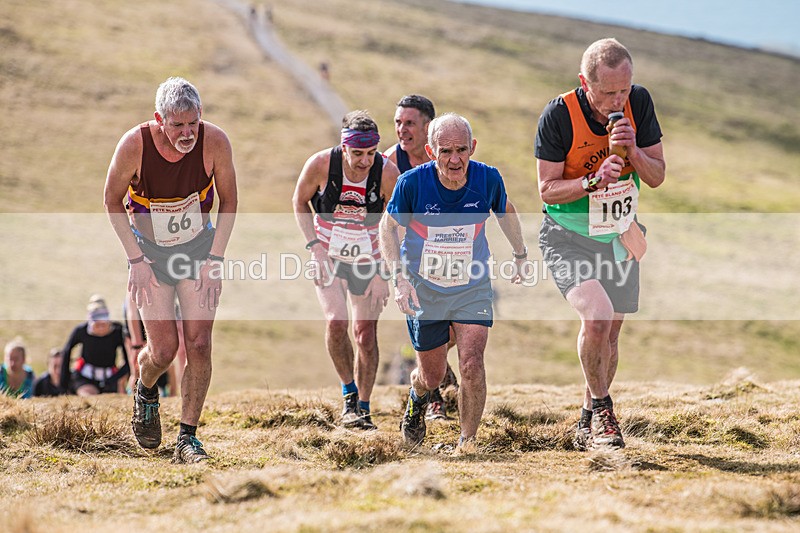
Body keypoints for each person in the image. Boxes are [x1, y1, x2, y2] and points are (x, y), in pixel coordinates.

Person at [535, 38, 665, 450]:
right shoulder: (558, 116)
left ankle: (587, 419)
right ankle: (606, 413)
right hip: (567, 236)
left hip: (620, 235)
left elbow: (658, 175)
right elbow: (547, 190)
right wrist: (592, 181)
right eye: (608, 91)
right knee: (596, 315)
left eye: (624, 89)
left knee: (610, 336)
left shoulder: (638, 104)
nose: (618, 99)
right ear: (584, 82)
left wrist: (632, 151)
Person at [103, 76, 238, 463]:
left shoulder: (215, 142)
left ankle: (188, 437)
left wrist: (216, 260)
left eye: (193, 123)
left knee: (198, 343)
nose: (187, 133)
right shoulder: (134, 146)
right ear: (158, 118)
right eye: (177, 125)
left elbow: (229, 201)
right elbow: (111, 200)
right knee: (163, 349)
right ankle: (145, 390)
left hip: (198, 250)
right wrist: (135, 261)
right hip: (150, 255)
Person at [379, 113, 528, 449]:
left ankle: (467, 441)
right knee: (430, 376)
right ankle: (417, 400)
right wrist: (398, 279)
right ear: (432, 152)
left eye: (462, 149)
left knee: (472, 363)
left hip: (471, 285)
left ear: (472, 147)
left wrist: (520, 254)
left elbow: (505, 211)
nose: (455, 159)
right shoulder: (413, 184)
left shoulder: (487, 178)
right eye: (446, 151)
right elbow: (387, 228)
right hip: (424, 289)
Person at [292, 110, 400, 430]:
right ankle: (349, 395)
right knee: (336, 321)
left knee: (365, 335)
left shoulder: (387, 173)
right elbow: (299, 202)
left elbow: (398, 226)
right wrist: (315, 248)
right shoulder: (321, 165)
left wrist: (385, 273)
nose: (364, 161)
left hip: (371, 258)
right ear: (343, 147)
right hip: (329, 254)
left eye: (370, 153)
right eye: (357, 154)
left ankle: (363, 408)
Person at [384, 94, 460, 422]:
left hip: (450, 255)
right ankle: (433, 398)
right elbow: (384, 220)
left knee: (459, 326)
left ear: (428, 127)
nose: (402, 130)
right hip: (409, 260)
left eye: (409, 123)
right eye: (398, 123)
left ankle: (436, 369)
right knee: (426, 325)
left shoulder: (451, 157)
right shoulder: (389, 163)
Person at [61, 300, 130, 396]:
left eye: (104, 324)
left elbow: (130, 359)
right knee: (90, 398)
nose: (101, 328)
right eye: (97, 325)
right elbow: (66, 352)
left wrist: (117, 377)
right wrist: (64, 382)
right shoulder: (81, 331)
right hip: (85, 377)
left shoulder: (118, 331)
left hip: (110, 378)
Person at [122, 291, 181, 397]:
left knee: (166, 360)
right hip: (136, 329)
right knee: (136, 367)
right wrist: (137, 344)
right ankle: (135, 396)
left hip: (158, 318)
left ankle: (170, 393)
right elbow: (132, 312)